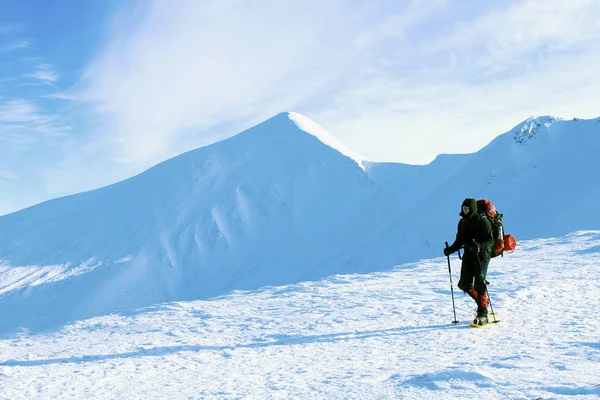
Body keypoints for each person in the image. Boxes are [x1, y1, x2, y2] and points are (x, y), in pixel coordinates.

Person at [444, 198, 494, 325]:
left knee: (479, 283)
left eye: (467, 208)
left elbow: (490, 240)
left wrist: (480, 246)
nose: (465, 211)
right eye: (463, 208)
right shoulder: (462, 222)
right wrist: (451, 249)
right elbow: (460, 240)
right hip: (469, 254)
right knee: (464, 284)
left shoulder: (483, 221)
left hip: (482, 256)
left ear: (472, 208)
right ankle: (481, 301)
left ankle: (483, 313)